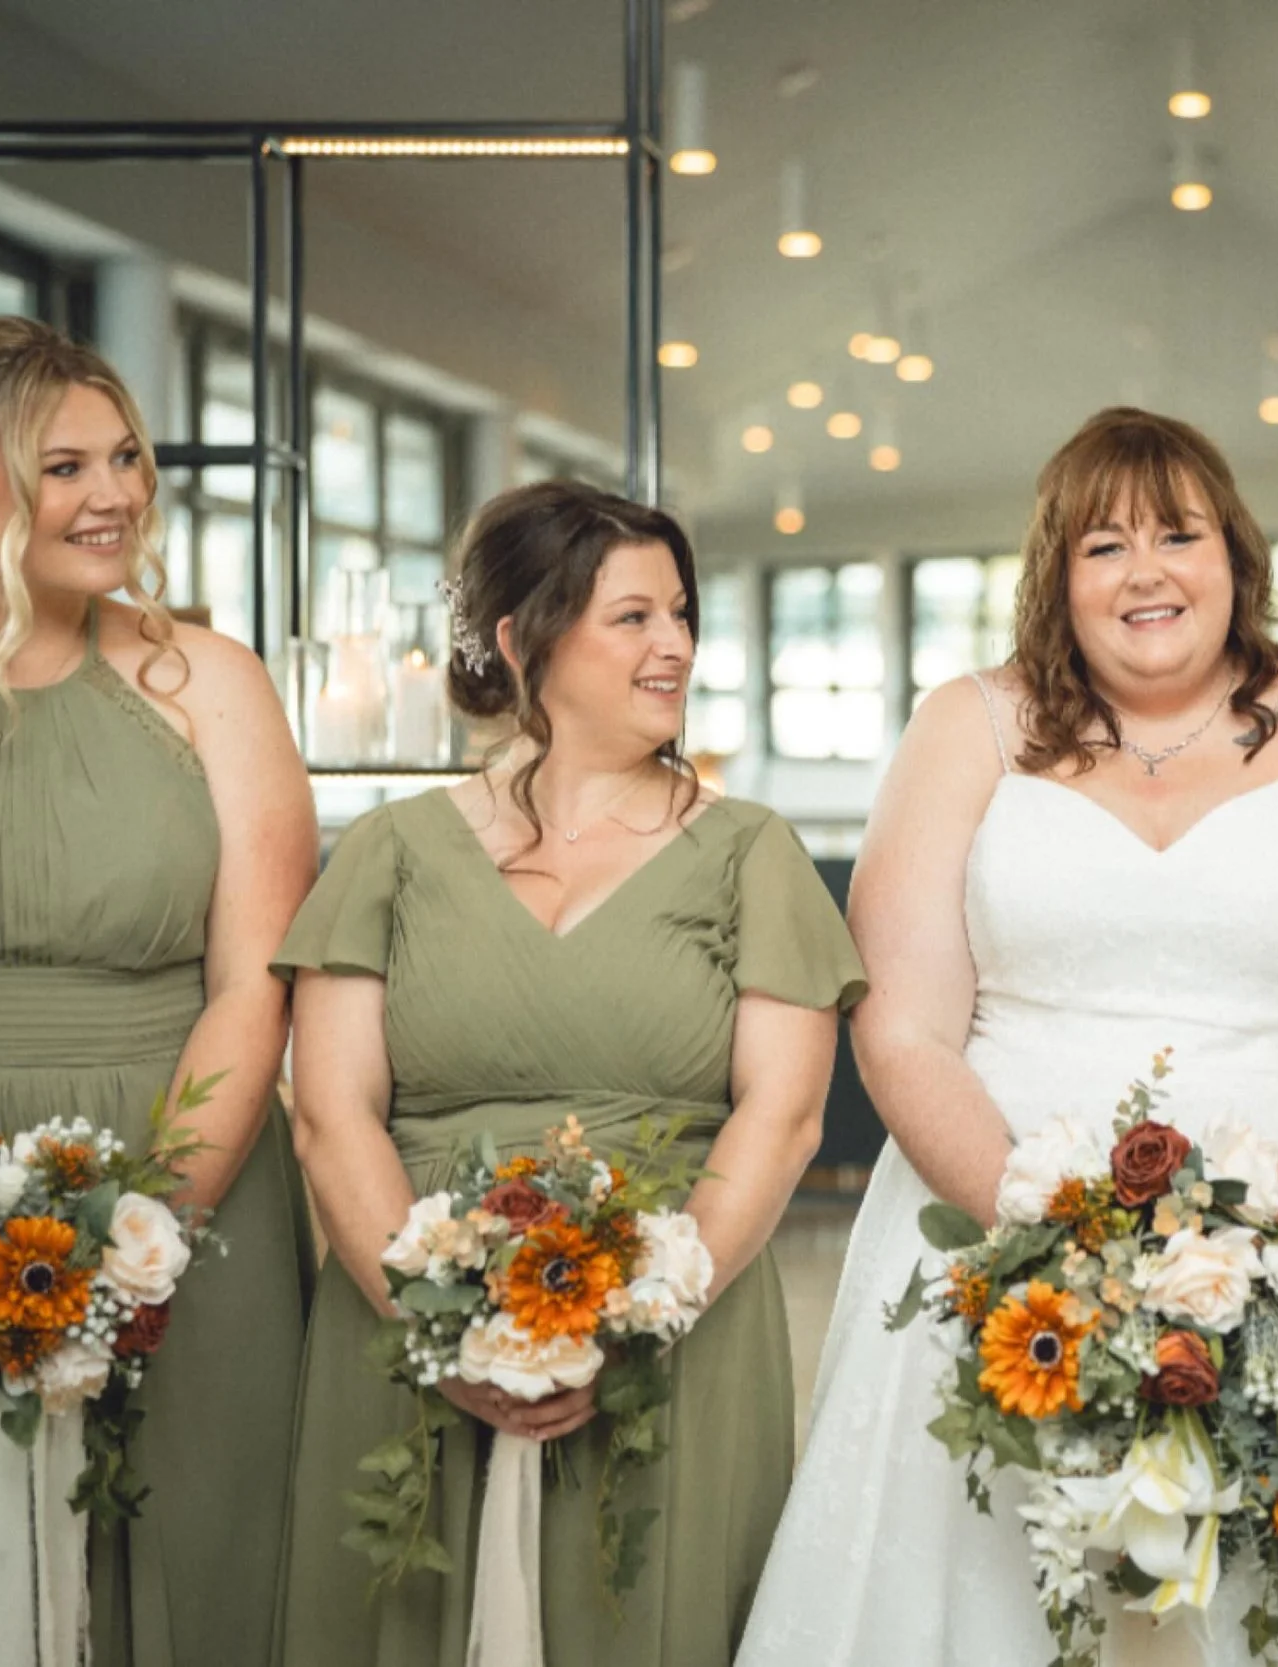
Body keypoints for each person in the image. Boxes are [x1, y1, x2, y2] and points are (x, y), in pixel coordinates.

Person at [739, 407, 1278, 1666]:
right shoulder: (969, 725)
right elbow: (903, 1029)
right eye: (1104, 545)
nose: (1148, 570)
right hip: (996, 1234)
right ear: (1057, 576)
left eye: (1180, 533)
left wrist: (1245, 1242)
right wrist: (1043, 1237)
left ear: (1237, 557)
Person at [273, 481, 863, 1666]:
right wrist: (449, 1339)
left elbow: (785, 1117)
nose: (678, 645)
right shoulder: (392, 849)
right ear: (521, 638)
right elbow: (332, 1115)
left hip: (672, 1333)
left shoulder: (751, 851)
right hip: (405, 1327)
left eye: (682, 615)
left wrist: (638, 1319)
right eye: (635, 616)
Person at [0, 316, 315, 1667]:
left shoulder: (211, 686)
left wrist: (140, 1244)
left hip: (173, 1188)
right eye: (64, 466)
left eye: (125, 457)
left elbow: (252, 986)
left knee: (180, 1571)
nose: (114, 494)